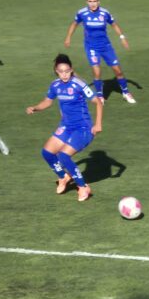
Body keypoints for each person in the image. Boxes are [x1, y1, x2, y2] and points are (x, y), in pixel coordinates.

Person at [26, 53, 103, 201]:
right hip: (66, 126)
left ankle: (82, 186)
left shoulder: (78, 84)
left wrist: (98, 124)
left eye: (67, 71)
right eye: (61, 71)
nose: (64, 74)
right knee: (47, 153)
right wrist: (35, 108)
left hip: (83, 128)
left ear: (71, 70)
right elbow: (48, 101)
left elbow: (98, 101)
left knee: (63, 156)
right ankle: (63, 177)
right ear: (56, 71)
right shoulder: (55, 85)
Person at [64, 0, 136, 104]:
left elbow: (114, 24)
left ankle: (126, 92)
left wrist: (122, 38)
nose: (92, 4)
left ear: (99, 2)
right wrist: (68, 37)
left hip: (106, 46)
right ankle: (100, 96)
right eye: (90, 1)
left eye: (94, 1)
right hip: (92, 47)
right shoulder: (82, 13)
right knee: (97, 72)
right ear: (87, 2)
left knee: (118, 71)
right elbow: (74, 24)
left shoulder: (104, 13)